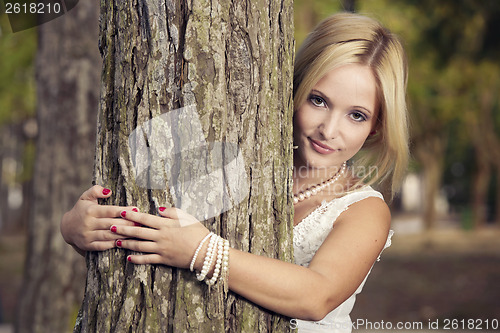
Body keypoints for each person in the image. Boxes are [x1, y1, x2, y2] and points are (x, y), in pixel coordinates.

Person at [61, 12, 408, 332]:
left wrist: (203, 250)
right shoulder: (242, 157)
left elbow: (317, 297)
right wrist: (78, 229)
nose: (329, 130)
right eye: (318, 100)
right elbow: (155, 239)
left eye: (356, 115)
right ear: (294, 89)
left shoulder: (365, 210)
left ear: (376, 127)